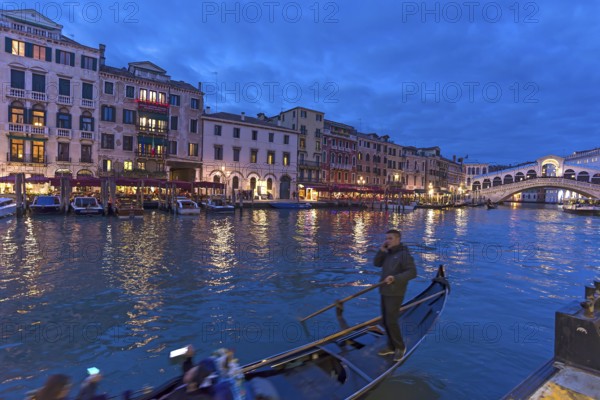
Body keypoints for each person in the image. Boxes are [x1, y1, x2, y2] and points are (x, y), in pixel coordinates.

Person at [373, 229, 416, 362]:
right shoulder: (388, 253)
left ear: (398, 239)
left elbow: (412, 272)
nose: (387, 241)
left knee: (391, 321)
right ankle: (391, 346)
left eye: (390, 238)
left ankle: (400, 347)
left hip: (396, 292)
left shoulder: (404, 254)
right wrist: (381, 250)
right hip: (384, 290)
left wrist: (395, 278)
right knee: (385, 321)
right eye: (386, 238)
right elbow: (376, 263)